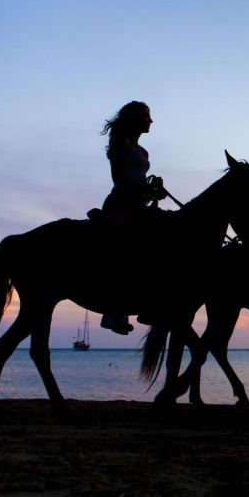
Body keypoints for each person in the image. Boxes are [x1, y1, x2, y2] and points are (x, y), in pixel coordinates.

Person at [98, 100, 165, 335]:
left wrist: (153, 187)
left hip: (137, 205)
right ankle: (113, 312)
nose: (151, 121)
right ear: (135, 118)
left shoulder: (142, 151)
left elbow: (137, 179)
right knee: (125, 251)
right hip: (120, 205)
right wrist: (145, 192)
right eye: (147, 116)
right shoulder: (120, 142)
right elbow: (120, 179)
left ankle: (152, 302)